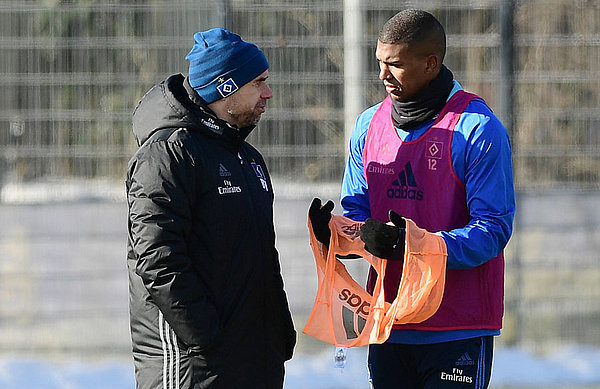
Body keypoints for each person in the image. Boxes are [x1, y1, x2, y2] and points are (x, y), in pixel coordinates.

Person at [310, 9, 515, 389]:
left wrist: (414, 246)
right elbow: (360, 218)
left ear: (431, 63)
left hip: (457, 326)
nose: (383, 76)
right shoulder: (367, 125)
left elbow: (493, 230)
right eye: (380, 63)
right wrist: (335, 233)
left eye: (396, 65)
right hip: (389, 321)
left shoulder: (478, 129)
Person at [126, 28, 296, 389]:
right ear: (225, 87)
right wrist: (204, 337)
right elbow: (157, 257)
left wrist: (277, 326)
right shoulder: (168, 153)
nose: (268, 93)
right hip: (194, 365)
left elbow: (262, 251)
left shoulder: (248, 158)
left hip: (251, 358)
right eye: (258, 82)